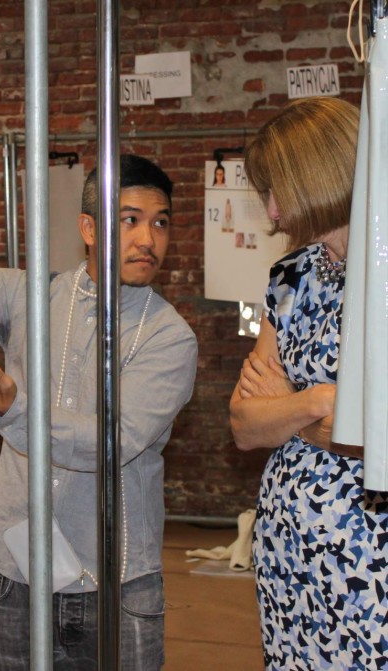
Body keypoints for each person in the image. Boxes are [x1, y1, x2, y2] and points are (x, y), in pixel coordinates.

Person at [0, 154, 198, 670]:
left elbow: (112, 443)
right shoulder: (32, 297)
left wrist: (15, 409)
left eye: (160, 223)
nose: (148, 239)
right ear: (89, 228)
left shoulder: (170, 338)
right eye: (130, 220)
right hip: (18, 575)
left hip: (115, 585)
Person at [229, 97, 388, 670]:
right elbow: (245, 425)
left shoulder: (383, 274)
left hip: (370, 554)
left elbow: (377, 436)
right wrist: (320, 401)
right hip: (287, 544)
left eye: (278, 189)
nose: (272, 211)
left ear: (321, 175)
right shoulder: (290, 277)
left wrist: (287, 406)